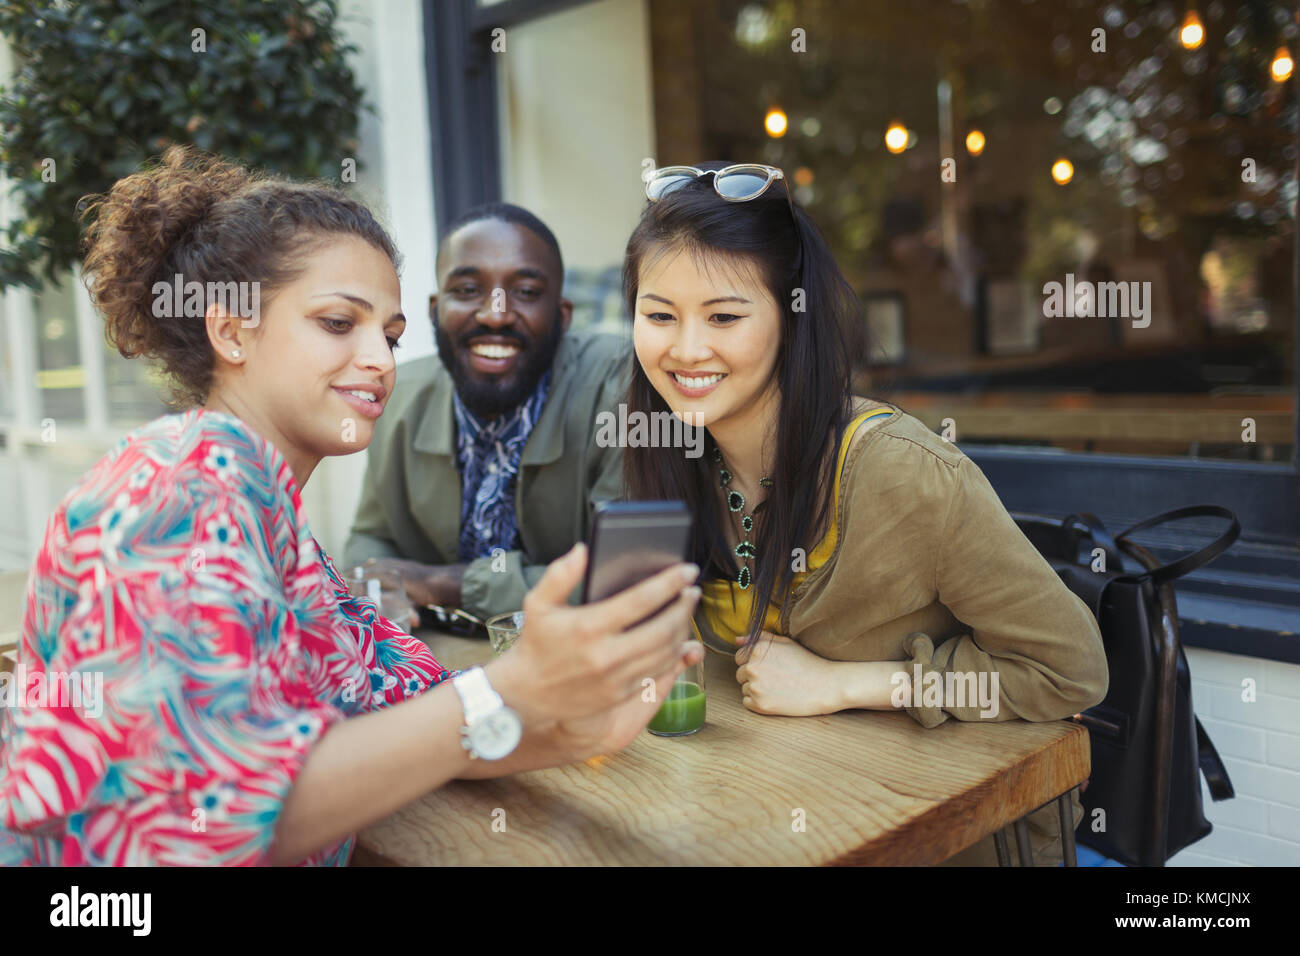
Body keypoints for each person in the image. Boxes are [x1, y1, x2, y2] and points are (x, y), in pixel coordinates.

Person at [0, 148, 702, 866]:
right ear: (232, 329)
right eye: (339, 323)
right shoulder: (180, 487)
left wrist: (572, 723)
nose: (381, 361)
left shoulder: (271, 520)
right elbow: (214, 821)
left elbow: (408, 712)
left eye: (392, 336)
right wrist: (514, 687)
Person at [620, 162, 1110, 866]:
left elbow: (1071, 672)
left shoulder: (904, 472)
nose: (686, 349)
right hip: (765, 823)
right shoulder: (665, 453)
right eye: (659, 314)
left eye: (724, 316)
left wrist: (845, 684)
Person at [343, 204, 628, 623]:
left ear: (562, 316)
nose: (495, 314)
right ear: (434, 309)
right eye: (467, 290)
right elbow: (372, 537)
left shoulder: (621, 390)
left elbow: (629, 576)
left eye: (527, 292)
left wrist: (444, 584)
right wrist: (376, 591)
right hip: (440, 659)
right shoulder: (397, 394)